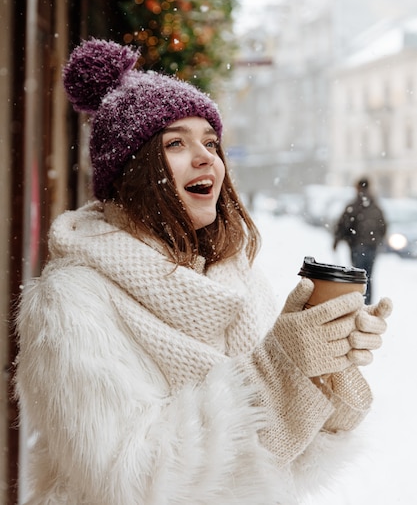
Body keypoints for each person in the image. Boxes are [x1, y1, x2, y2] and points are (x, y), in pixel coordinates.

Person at [16, 39, 392, 505]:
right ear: (131, 169)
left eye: (211, 143)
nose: (206, 157)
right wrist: (276, 369)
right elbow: (130, 481)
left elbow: (284, 465)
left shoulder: (236, 282)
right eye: (176, 142)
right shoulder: (73, 297)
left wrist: (322, 368)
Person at [333, 178, 387, 305]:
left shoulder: (354, 206)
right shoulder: (375, 206)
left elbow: (343, 225)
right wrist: (377, 240)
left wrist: (338, 240)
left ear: (357, 188)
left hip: (357, 247)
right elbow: (383, 226)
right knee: (369, 277)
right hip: (372, 247)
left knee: (357, 277)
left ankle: (358, 303)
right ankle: (367, 304)